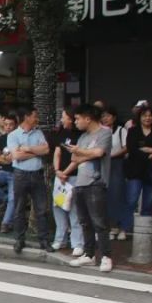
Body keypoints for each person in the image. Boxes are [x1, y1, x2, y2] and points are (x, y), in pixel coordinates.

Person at [64, 104, 113, 272]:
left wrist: (82, 152)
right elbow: (75, 159)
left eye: (78, 118)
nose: (75, 122)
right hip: (80, 182)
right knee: (84, 221)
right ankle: (89, 254)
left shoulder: (105, 132)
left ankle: (106, 256)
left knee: (99, 222)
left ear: (88, 118)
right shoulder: (83, 137)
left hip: (96, 182)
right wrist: (86, 154)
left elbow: (99, 153)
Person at [8, 107, 51, 254]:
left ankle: (44, 240)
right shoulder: (13, 135)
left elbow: (46, 150)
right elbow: (17, 156)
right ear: (26, 117)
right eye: (34, 116)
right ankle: (19, 239)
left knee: (42, 209)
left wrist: (27, 149)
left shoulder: (38, 132)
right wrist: (36, 152)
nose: (36, 118)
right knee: (19, 208)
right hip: (20, 175)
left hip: (37, 174)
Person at [124, 105, 152, 236]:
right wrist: (149, 152)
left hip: (151, 171)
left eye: (149, 115)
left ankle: (144, 231)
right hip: (135, 170)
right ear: (139, 117)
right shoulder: (133, 131)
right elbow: (131, 149)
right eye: (144, 115)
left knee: (149, 201)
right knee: (131, 199)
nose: (147, 118)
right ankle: (125, 228)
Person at [51, 108, 83, 254]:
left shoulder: (81, 135)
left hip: (74, 176)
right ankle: (60, 239)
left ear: (71, 119)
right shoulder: (62, 133)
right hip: (60, 177)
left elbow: (77, 158)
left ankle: (77, 243)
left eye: (64, 117)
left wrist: (65, 173)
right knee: (59, 207)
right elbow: (57, 152)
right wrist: (57, 170)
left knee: (74, 210)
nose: (61, 120)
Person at [102, 106, 129, 240]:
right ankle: (112, 227)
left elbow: (126, 148)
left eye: (108, 116)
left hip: (117, 164)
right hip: (104, 165)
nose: (105, 118)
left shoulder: (121, 131)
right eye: (103, 116)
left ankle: (122, 227)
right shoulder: (101, 132)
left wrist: (111, 155)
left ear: (114, 117)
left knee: (118, 195)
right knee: (106, 196)